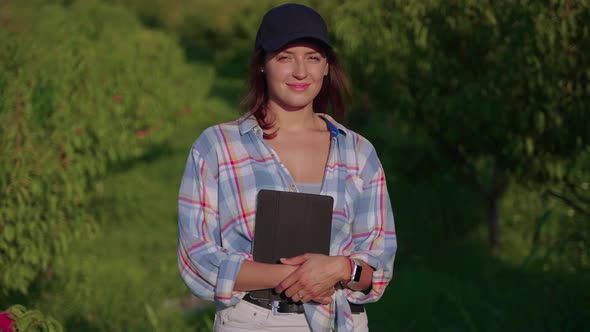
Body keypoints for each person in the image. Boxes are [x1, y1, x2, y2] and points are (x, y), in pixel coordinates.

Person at [177, 3, 397, 331]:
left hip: (338, 322)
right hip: (253, 321)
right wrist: (304, 277)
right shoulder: (217, 147)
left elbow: (376, 269)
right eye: (284, 57)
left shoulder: (358, 153)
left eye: (312, 57)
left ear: (326, 67)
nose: (300, 72)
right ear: (262, 65)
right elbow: (197, 258)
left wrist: (342, 269)